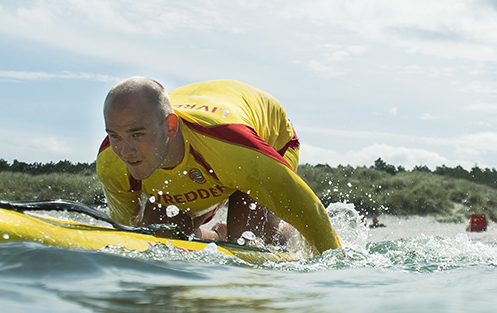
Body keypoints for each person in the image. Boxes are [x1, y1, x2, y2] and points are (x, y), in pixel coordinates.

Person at [97, 77, 341, 255]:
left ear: (171, 126)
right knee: (160, 235)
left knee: (248, 238)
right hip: (217, 151)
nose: (125, 151)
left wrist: (336, 266)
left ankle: (281, 230)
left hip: (265, 138)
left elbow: (311, 212)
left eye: (137, 135)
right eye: (115, 135)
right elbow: (130, 231)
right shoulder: (112, 162)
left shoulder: (234, 148)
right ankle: (215, 236)